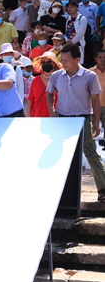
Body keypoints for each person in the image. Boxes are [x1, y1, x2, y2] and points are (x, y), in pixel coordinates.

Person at [47, 43, 105, 201]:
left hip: (83, 119)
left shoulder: (89, 76)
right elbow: (49, 94)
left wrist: (96, 121)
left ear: (77, 59)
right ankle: (57, 191)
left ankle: (103, 189)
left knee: (91, 154)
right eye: (62, 59)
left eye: (66, 60)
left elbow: (95, 100)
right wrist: (52, 111)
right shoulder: (56, 76)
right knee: (59, 154)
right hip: (62, 121)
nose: (63, 62)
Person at [93, 49, 105, 131]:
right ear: (96, 59)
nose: (102, 59)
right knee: (94, 131)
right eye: (100, 57)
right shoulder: (89, 72)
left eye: (104, 57)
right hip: (93, 107)